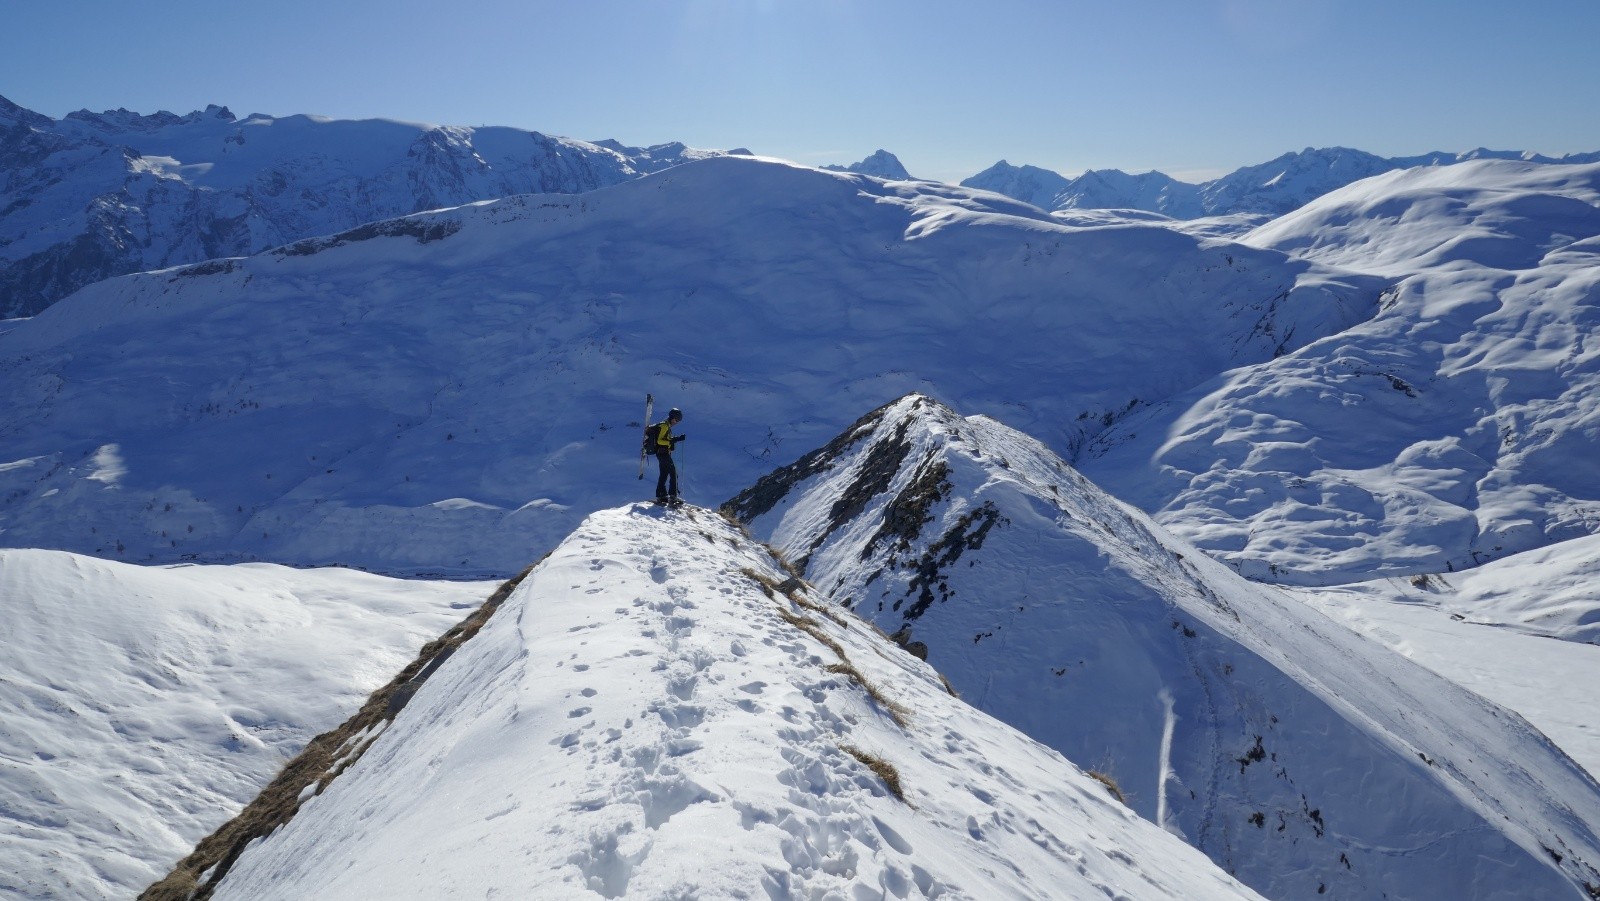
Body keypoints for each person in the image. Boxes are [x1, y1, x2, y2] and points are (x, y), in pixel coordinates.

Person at [651, 408, 686, 503]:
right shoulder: (664, 426)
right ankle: (673, 496)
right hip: (663, 453)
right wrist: (672, 440)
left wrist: (677, 439)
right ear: (673, 418)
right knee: (673, 473)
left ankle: (661, 495)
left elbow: (666, 439)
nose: (677, 422)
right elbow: (660, 440)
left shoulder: (665, 425)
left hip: (661, 453)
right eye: (677, 420)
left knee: (664, 474)